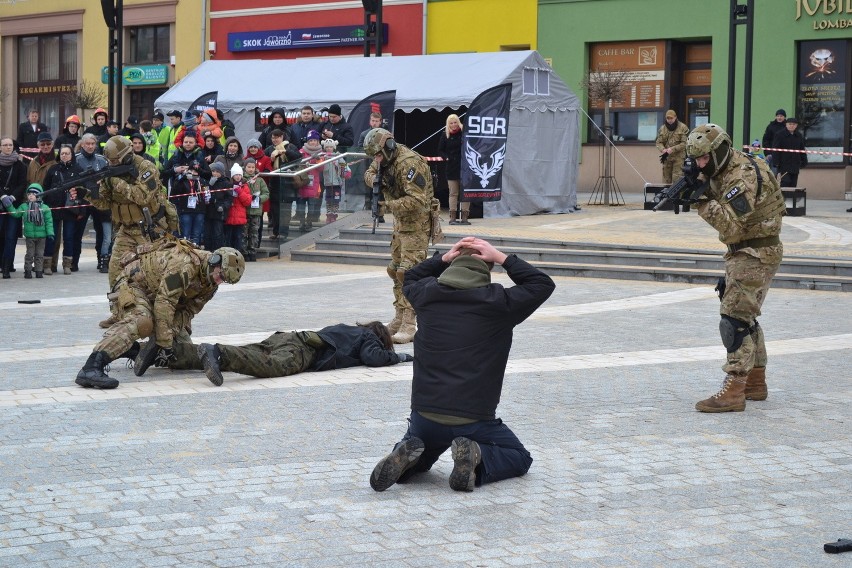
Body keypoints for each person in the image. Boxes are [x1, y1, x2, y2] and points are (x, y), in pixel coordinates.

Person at [369, 237, 555, 493]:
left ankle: (408, 456)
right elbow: (542, 284)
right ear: (488, 268)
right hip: (474, 417)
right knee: (518, 456)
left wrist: (443, 258)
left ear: (452, 264)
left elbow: (409, 277)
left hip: (425, 414)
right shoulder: (500, 302)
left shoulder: (426, 294)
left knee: (422, 452)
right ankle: (477, 455)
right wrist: (502, 257)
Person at [681, 124, 786, 413]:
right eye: (697, 159)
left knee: (733, 320)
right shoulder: (730, 166)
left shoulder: (742, 176)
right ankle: (755, 383)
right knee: (747, 316)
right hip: (752, 249)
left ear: (719, 152)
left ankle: (735, 390)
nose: (701, 164)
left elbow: (730, 223)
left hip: (754, 252)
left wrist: (700, 200)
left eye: (704, 159)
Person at [75, 243, 245, 389]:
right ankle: (91, 367)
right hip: (133, 286)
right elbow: (164, 303)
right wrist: (164, 341)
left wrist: (168, 338)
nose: (219, 281)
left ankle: (132, 350)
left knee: (181, 353)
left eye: (224, 280)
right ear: (214, 261)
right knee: (141, 322)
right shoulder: (184, 265)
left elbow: (188, 311)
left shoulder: (211, 284)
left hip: (158, 297)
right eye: (220, 275)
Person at [363, 127, 437, 344]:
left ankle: (409, 322)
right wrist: (377, 181)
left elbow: (418, 200)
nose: (376, 160)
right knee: (395, 271)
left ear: (388, 147)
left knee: (410, 273)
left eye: (377, 155)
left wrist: (387, 204)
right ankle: (398, 316)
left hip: (416, 225)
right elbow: (369, 173)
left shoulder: (409, 163)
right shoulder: (382, 158)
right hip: (401, 224)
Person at [85, 135, 176, 300]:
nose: (111, 164)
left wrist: (115, 181)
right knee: (115, 271)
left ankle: (156, 312)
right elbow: (105, 204)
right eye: (109, 161)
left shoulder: (146, 168)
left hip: (149, 229)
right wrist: (88, 194)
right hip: (126, 229)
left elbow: (142, 197)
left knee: (153, 272)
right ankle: (118, 312)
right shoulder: (111, 172)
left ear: (126, 156)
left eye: (114, 161)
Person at [190, 321, 411, 386]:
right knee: (271, 366)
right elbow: (373, 358)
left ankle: (175, 356)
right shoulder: (368, 336)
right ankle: (218, 353)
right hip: (304, 349)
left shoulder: (350, 329)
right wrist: (399, 357)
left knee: (251, 353)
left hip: (287, 337)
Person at [41, 145, 85, 275]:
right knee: (51, 237)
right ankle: (47, 265)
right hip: (53, 209)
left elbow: (83, 191)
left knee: (69, 237)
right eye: (62, 154)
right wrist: (45, 206)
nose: (64, 155)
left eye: (67, 153)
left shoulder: (78, 169)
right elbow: (45, 188)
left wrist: (81, 210)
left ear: (72, 155)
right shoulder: (53, 169)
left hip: (70, 210)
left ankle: (67, 265)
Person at [74, 134, 112, 273]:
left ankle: (102, 261)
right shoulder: (77, 159)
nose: (90, 146)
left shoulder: (102, 160)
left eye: (92, 144)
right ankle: (74, 261)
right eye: (87, 144)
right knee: (78, 232)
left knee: (101, 232)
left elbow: (108, 178)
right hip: (83, 200)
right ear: (82, 144)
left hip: (99, 200)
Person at [165, 132, 210, 246]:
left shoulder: (199, 155)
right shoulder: (176, 154)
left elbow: (208, 175)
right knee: (182, 232)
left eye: (191, 142)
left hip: (198, 200)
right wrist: (176, 170)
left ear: (195, 143)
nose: (188, 144)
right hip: (180, 199)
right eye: (186, 142)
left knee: (197, 233)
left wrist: (197, 170)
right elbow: (164, 173)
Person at [2, 183, 53, 278]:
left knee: (39, 255)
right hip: (30, 236)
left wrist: (50, 233)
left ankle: (38, 271)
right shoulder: (24, 206)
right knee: (29, 254)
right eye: (29, 194)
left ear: (39, 195)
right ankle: (28, 271)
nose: (30, 196)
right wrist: (9, 206)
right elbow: (16, 213)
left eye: (33, 194)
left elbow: (49, 222)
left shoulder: (45, 208)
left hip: (42, 236)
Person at [264, 128, 300, 240]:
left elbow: (298, 157)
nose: (275, 140)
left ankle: (284, 232)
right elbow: (266, 164)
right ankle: (275, 232)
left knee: (285, 210)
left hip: (288, 183)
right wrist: (271, 159)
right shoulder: (269, 149)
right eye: (273, 137)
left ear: (282, 137)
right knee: (274, 210)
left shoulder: (290, 146)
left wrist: (284, 151)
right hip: (274, 184)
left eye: (277, 137)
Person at [0, 137, 28, 278]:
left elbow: (23, 184)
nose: (8, 147)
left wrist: (12, 197)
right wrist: (3, 196)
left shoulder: (20, 165)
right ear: (0, 147)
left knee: (11, 237)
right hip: (0, 204)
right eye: (5, 145)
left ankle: (6, 266)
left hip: (14, 206)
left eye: (10, 145)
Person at [438, 114, 468, 225]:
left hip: (464, 167)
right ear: (448, 124)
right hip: (451, 167)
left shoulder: (464, 133)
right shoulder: (444, 135)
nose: (454, 125)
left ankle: (465, 217)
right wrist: (447, 157)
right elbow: (440, 150)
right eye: (451, 123)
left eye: (455, 122)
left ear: (458, 122)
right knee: (453, 193)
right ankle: (453, 217)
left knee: (465, 193)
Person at [242, 158, 268, 261]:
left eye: (253, 167)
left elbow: (266, 193)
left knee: (254, 232)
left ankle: (252, 251)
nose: (251, 169)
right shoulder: (243, 180)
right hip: (245, 211)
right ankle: (244, 252)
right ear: (245, 168)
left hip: (256, 211)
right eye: (249, 167)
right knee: (244, 232)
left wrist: (260, 198)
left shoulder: (260, 180)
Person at [204, 161, 233, 251]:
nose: (215, 173)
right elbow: (205, 193)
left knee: (218, 233)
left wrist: (223, 206)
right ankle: (208, 251)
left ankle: (217, 251)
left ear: (221, 172)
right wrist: (210, 185)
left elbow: (229, 198)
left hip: (219, 212)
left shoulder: (226, 183)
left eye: (217, 171)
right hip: (208, 211)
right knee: (207, 233)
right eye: (213, 171)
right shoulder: (209, 181)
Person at [655, 109, 690, 184]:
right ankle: (665, 195)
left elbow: (685, 143)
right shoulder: (662, 129)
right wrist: (663, 149)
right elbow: (658, 142)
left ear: (675, 117)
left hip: (679, 158)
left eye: (671, 118)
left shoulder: (683, 127)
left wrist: (673, 149)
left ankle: (677, 195)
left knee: (677, 179)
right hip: (667, 157)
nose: (669, 120)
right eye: (668, 118)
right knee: (666, 180)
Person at [298, 130, 324, 230]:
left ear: (318, 141)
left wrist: (318, 159)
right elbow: (297, 164)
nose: (313, 142)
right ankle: (301, 222)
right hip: (303, 182)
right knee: (301, 205)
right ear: (308, 141)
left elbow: (321, 168)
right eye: (311, 140)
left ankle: (309, 222)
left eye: (315, 140)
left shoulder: (321, 153)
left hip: (314, 184)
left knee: (312, 205)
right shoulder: (301, 151)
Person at [771, 116, 807, 188]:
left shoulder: (798, 135)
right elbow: (775, 149)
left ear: (796, 126)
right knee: (785, 183)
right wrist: (776, 162)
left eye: (793, 124)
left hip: (795, 164)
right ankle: (784, 198)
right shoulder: (780, 135)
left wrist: (804, 160)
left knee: (793, 184)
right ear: (786, 125)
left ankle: (791, 199)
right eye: (790, 124)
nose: (791, 126)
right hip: (783, 165)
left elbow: (801, 149)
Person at [320, 138, 349, 223]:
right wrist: (325, 160)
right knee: (328, 200)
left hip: (337, 182)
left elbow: (343, 166)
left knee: (336, 200)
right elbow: (323, 169)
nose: (329, 148)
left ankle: (334, 214)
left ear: (334, 147)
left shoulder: (338, 156)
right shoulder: (324, 157)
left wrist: (339, 161)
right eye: (327, 147)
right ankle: (329, 214)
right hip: (328, 182)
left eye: (331, 147)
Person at [224, 163, 251, 252]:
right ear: (232, 176)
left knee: (238, 238)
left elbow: (247, 201)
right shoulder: (228, 185)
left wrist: (240, 192)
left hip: (240, 217)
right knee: (228, 238)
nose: (238, 176)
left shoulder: (244, 186)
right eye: (236, 174)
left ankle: (238, 254)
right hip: (229, 216)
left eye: (239, 174)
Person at [761, 109, 787, 175]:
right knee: (773, 174)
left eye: (781, 116)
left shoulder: (787, 127)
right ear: (775, 117)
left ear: (784, 117)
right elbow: (766, 140)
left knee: (785, 176)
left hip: (785, 155)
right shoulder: (771, 126)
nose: (779, 117)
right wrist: (767, 153)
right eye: (778, 116)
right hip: (773, 155)